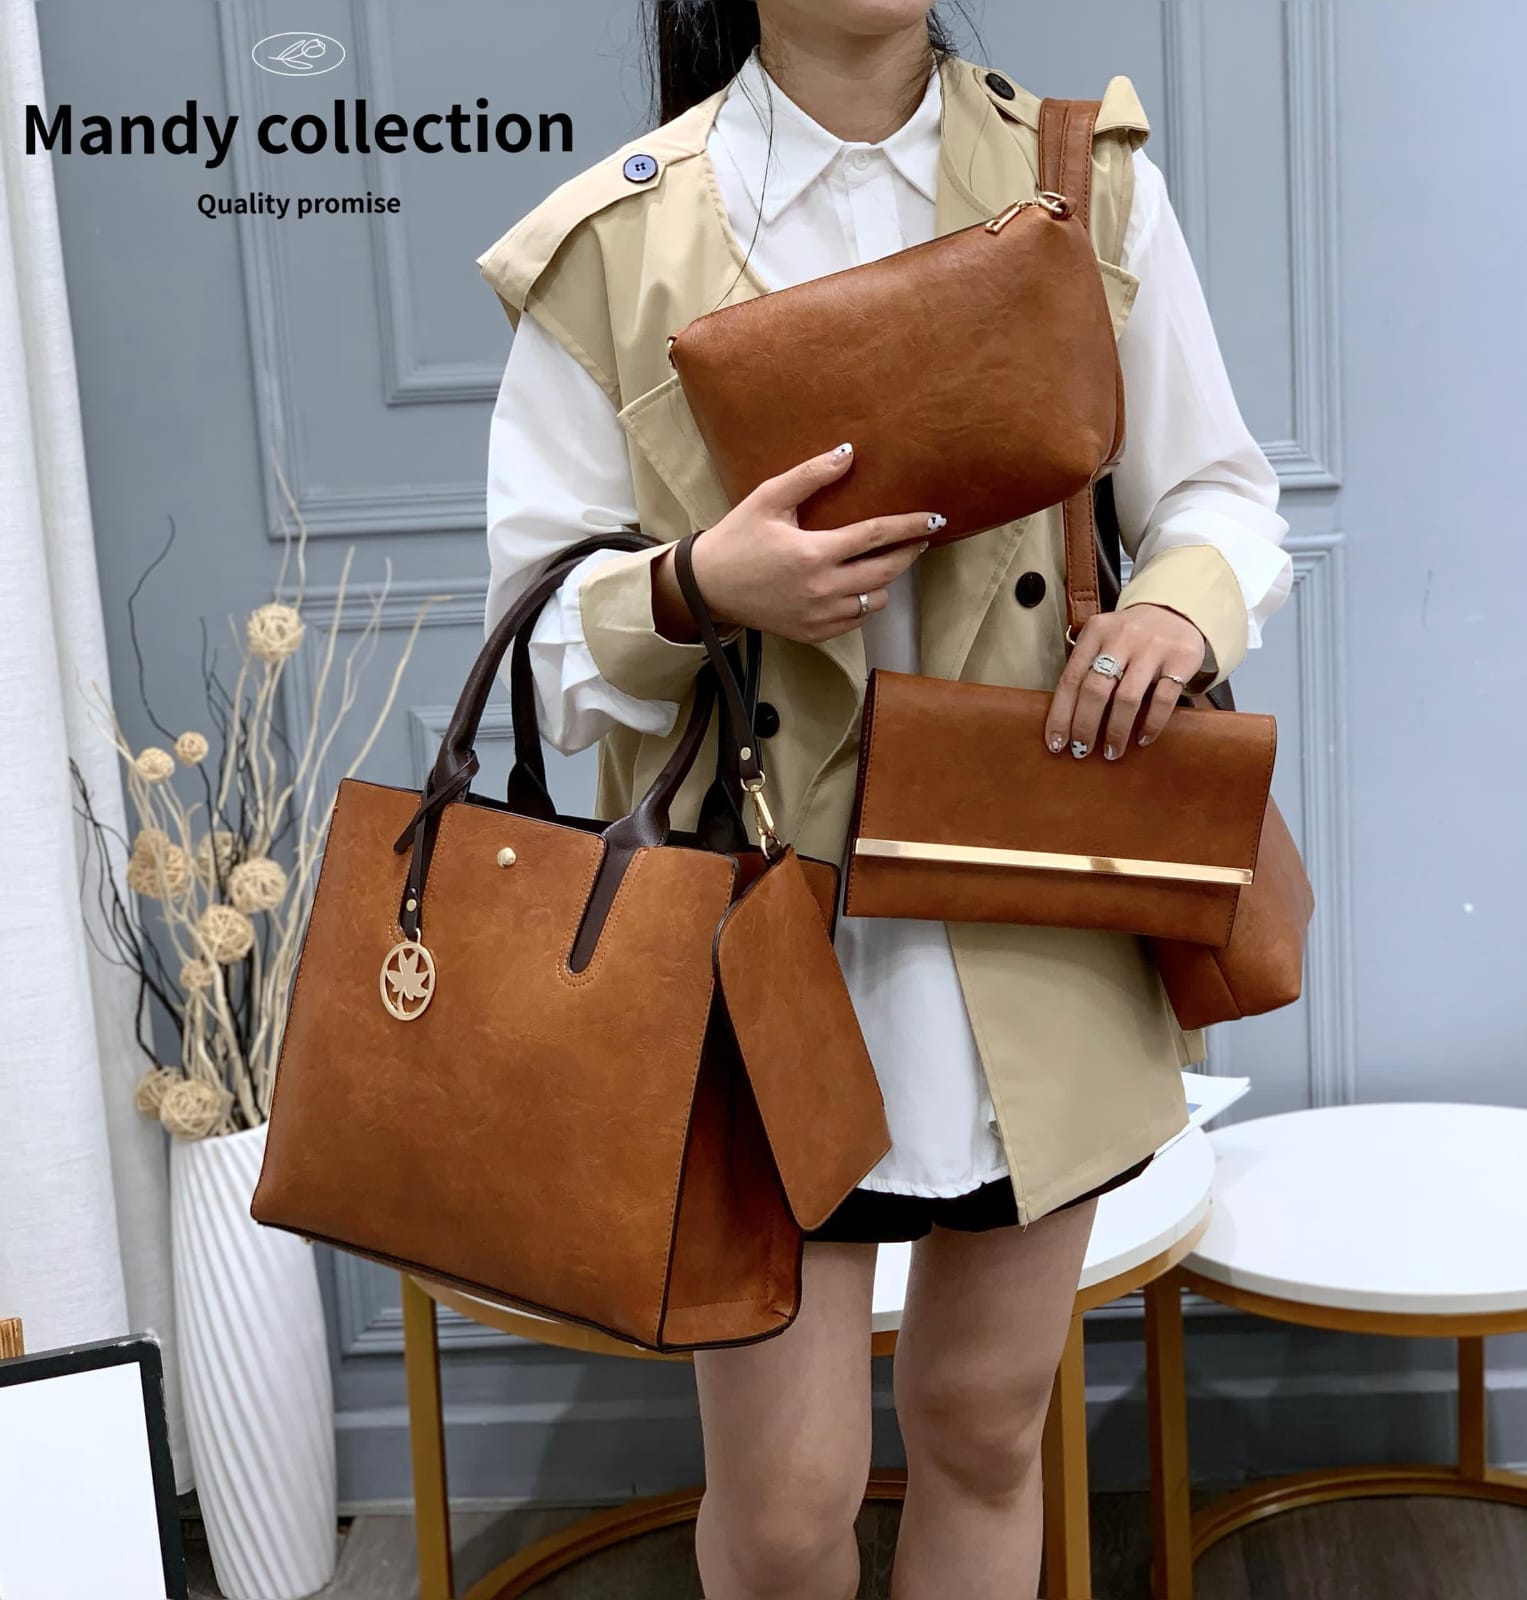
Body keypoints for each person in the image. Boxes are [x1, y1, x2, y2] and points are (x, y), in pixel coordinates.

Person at [477, 4, 1292, 1596]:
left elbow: (1217, 492)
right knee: (788, 1504)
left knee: (984, 1426)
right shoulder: (611, 245)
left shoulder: (1084, 178)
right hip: (762, 933)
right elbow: (540, 631)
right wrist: (704, 584)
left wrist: (1176, 609)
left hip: (1035, 893)